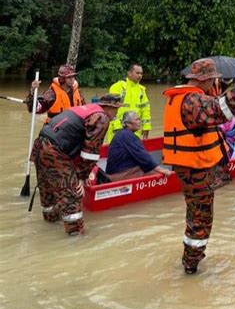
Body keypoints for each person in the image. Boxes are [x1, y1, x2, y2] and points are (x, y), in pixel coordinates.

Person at [162, 52, 235, 275]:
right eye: (213, 79)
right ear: (205, 80)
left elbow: (216, 105)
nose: (216, 82)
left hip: (190, 167)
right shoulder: (194, 101)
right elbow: (227, 107)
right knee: (201, 219)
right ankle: (191, 267)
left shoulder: (184, 97)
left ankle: (191, 258)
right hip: (196, 170)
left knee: (195, 215)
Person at [30, 94, 122, 235]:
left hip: (40, 145)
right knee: (73, 194)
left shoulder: (84, 109)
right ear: (110, 107)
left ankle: (50, 223)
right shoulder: (101, 117)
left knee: (48, 190)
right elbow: (91, 151)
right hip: (56, 151)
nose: (116, 114)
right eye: (116, 110)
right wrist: (81, 177)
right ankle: (76, 235)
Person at [106, 111, 171, 181]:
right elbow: (143, 156)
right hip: (121, 174)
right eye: (136, 120)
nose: (139, 122)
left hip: (117, 171)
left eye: (139, 119)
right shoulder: (127, 135)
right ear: (128, 124)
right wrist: (163, 170)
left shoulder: (122, 133)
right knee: (157, 174)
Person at [107, 64, 151, 143]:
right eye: (137, 73)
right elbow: (109, 108)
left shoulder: (141, 90)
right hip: (118, 128)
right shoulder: (118, 87)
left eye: (141, 73)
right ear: (129, 73)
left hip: (134, 130)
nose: (140, 76)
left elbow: (145, 110)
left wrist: (146, 128)